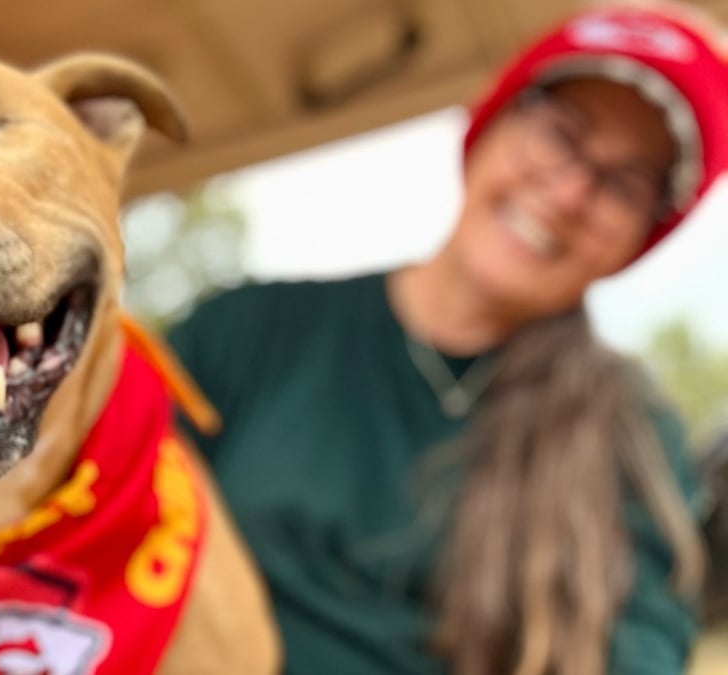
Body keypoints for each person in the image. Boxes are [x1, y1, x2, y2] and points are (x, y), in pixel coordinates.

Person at [166, 4, 728, 675]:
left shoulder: (631, 436)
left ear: (639, 238)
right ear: (492, 118)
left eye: (622, 183)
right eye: (560, 132)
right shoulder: (244, 331)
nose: (571, 190)